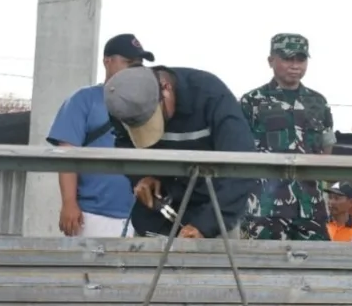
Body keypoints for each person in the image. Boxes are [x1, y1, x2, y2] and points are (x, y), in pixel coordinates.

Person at [103, 65, 258, 239]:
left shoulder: (212, 96)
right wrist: (140, 176)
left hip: (213, 215)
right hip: (154, 219)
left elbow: (241, 168)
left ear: (166, 88)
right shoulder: (121, 102)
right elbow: (125, 144)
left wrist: (207, 225)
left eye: (152, 121)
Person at [45, 33, 155, 237]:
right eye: (129, 63)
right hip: (93, 216)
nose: (135, 70)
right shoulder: (83, 100)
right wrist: (69, 203)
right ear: (107, 61)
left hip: (141, 217)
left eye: (139, 65)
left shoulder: (150, 104)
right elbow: (67, 154)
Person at [239, 33, 335, 241]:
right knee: (261, 260)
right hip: (265, 207)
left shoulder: (318, 102)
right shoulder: (252, 101)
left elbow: (326, 147)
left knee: (316, 260)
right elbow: (239, 150)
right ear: (271, 61)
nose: (295, 66)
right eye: (287, 59)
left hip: (310, 206)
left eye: (300, 59)